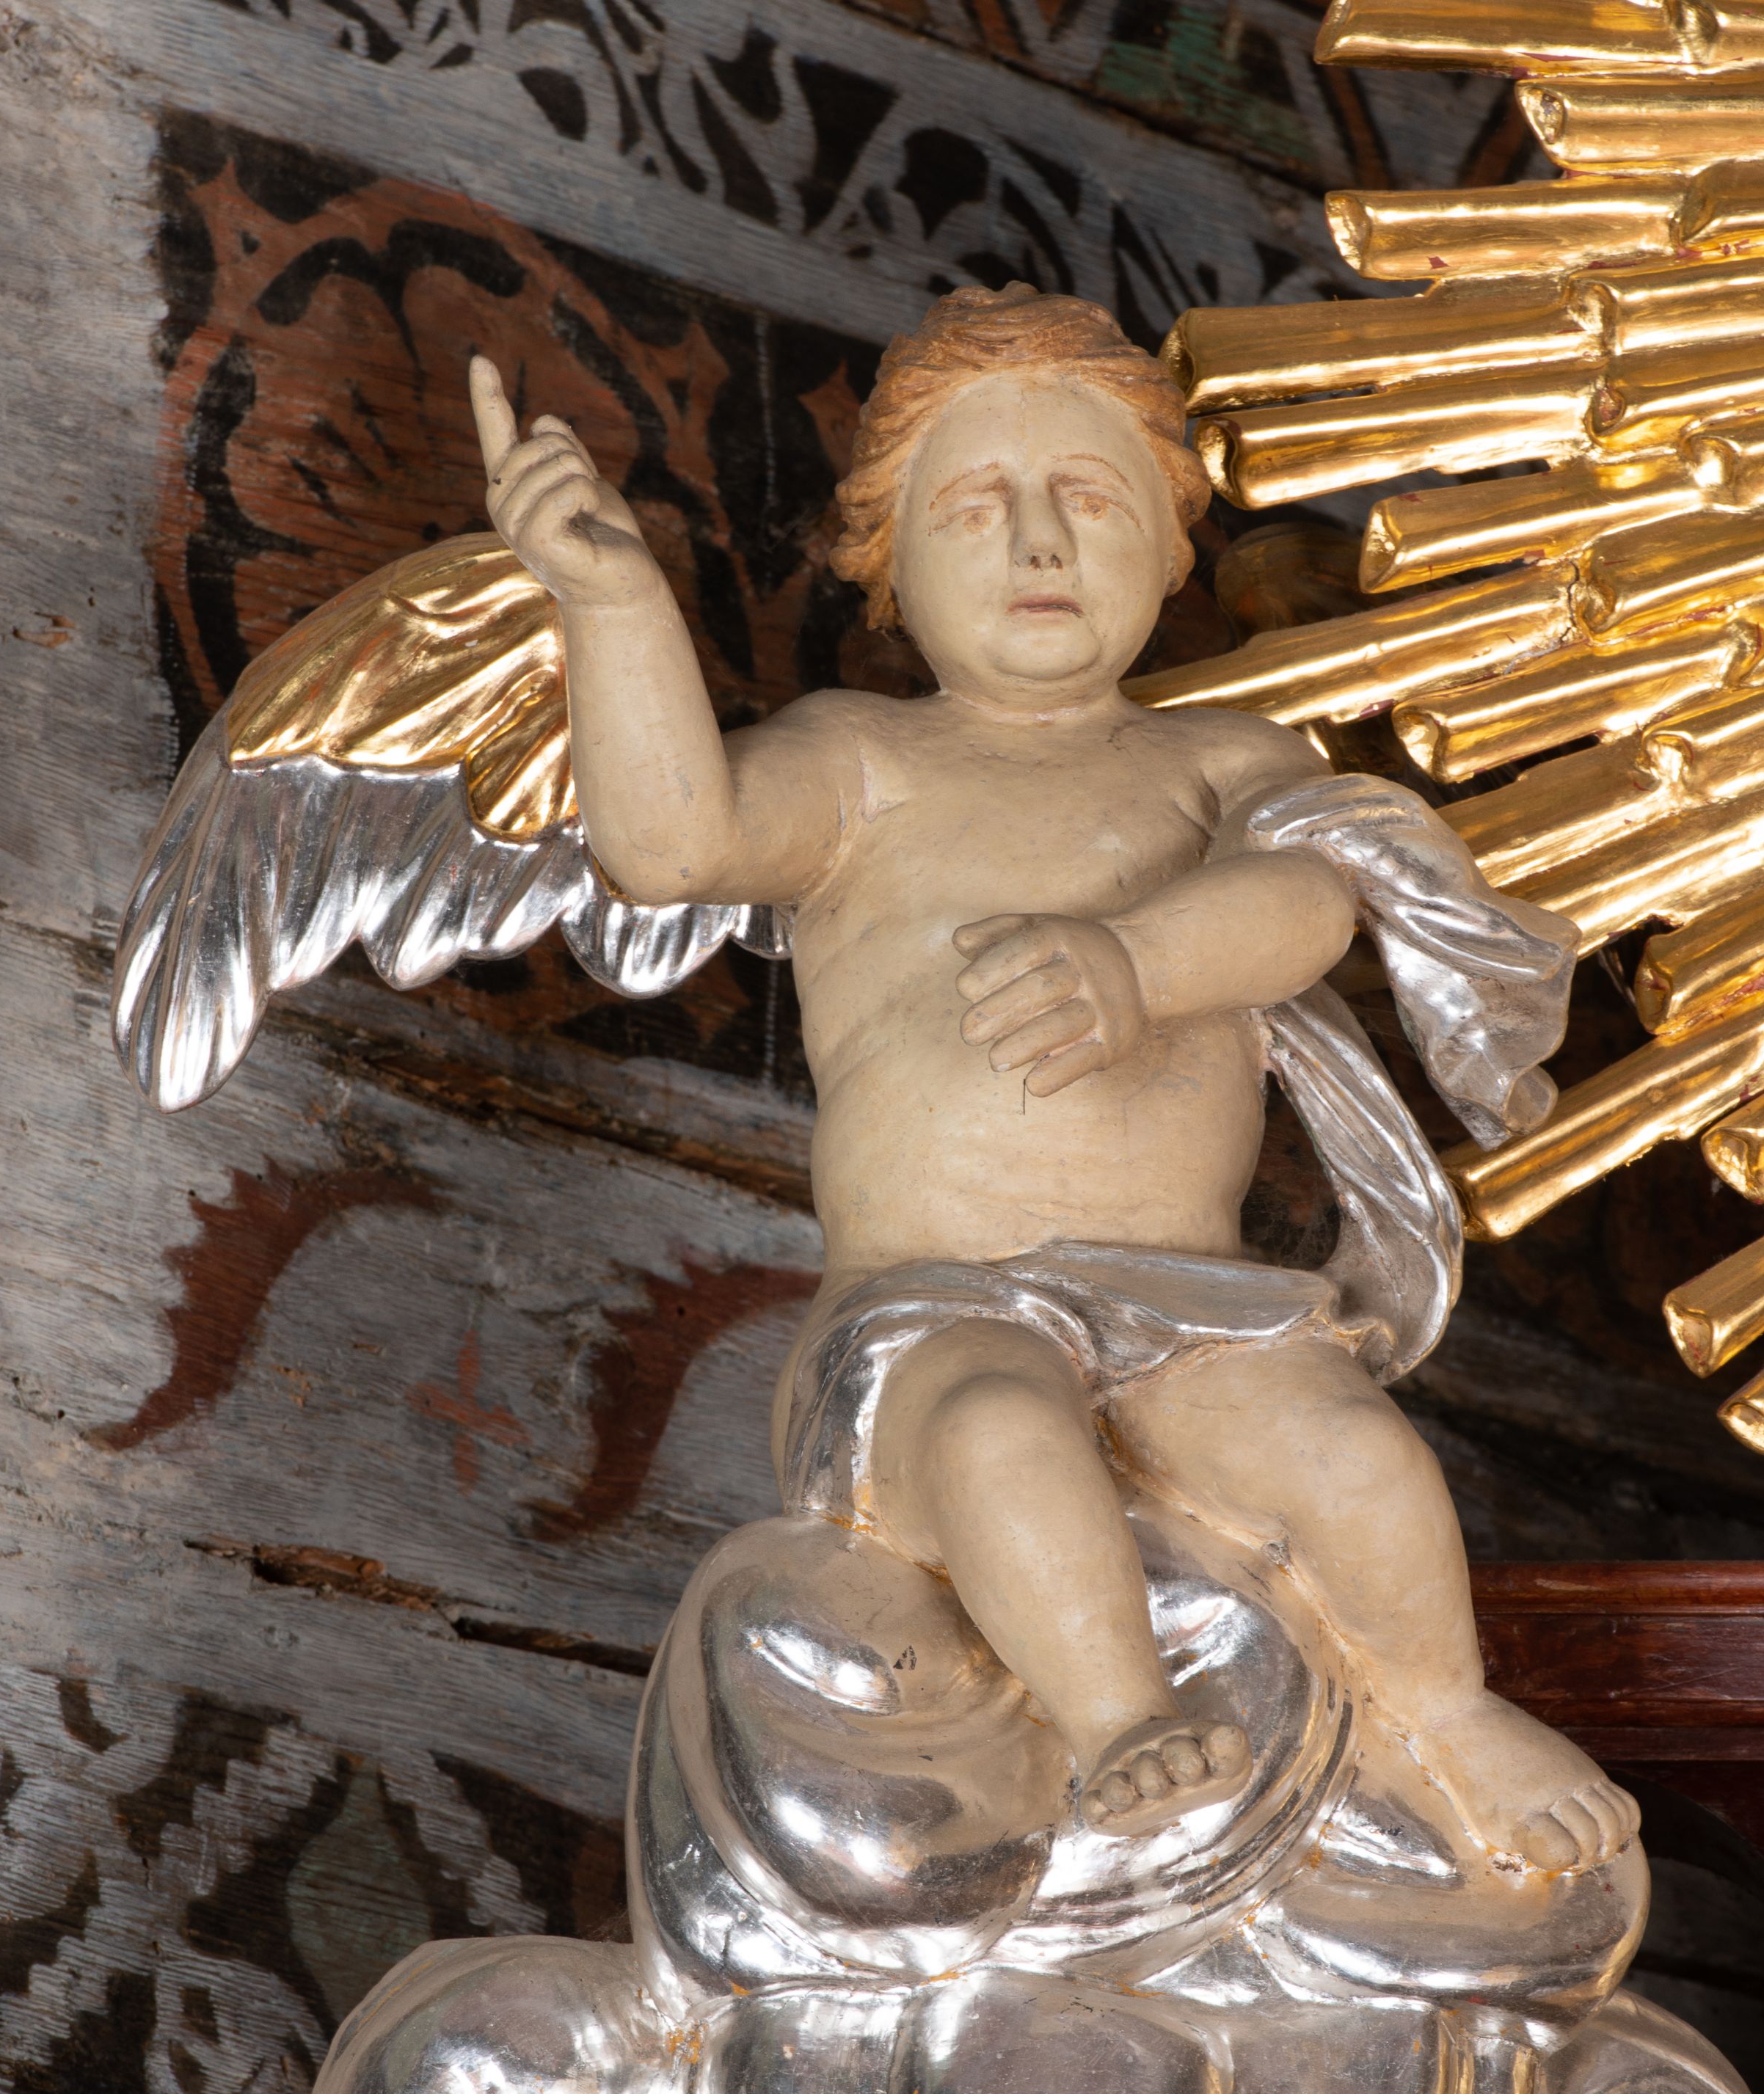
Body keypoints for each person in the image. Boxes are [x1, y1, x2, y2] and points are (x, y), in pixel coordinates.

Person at [467, 282, 1637, 1872]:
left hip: (1189, 1304)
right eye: (975, 507)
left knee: (1356, 1458)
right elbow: (674, 841)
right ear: (888, 565)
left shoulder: (1224, 761)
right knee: (1002, 1433)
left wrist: (1134, 964)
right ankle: (1119, 1722)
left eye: (1089, 499)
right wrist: (611, 602)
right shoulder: (862, 763)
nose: (1036, 542)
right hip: (935, 1307)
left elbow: (1309, 904)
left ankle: (1447, 1712)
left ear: (1169, 550)